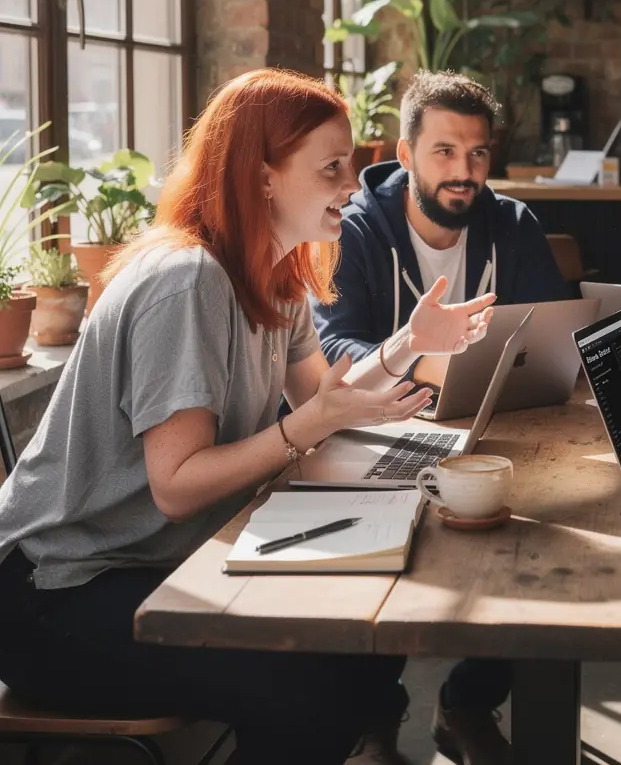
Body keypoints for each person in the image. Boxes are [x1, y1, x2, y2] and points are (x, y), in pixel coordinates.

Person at [0, 70, 498, 765]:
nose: (352, 184)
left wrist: (410, 343)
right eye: (331, 168)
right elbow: (178, 485)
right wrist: (307, 427)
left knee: (362, 641)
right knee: (313, 687)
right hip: (57, 595)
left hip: (152, 565)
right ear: (262, 177)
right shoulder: (187, 280)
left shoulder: (277, 274)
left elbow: (326, 394)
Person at [312, 69, 568, 765]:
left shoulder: (512, 224)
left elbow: (556, 334)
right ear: (405, 153)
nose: (465, 171)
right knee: (375, 559)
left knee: (542, 551)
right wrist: (431, 363)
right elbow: (333, 348)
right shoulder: (353, 229)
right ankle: (372, 722)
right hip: (378, 432)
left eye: (478, 153)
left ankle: (467, 704)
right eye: (445, 152)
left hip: (495, 430)